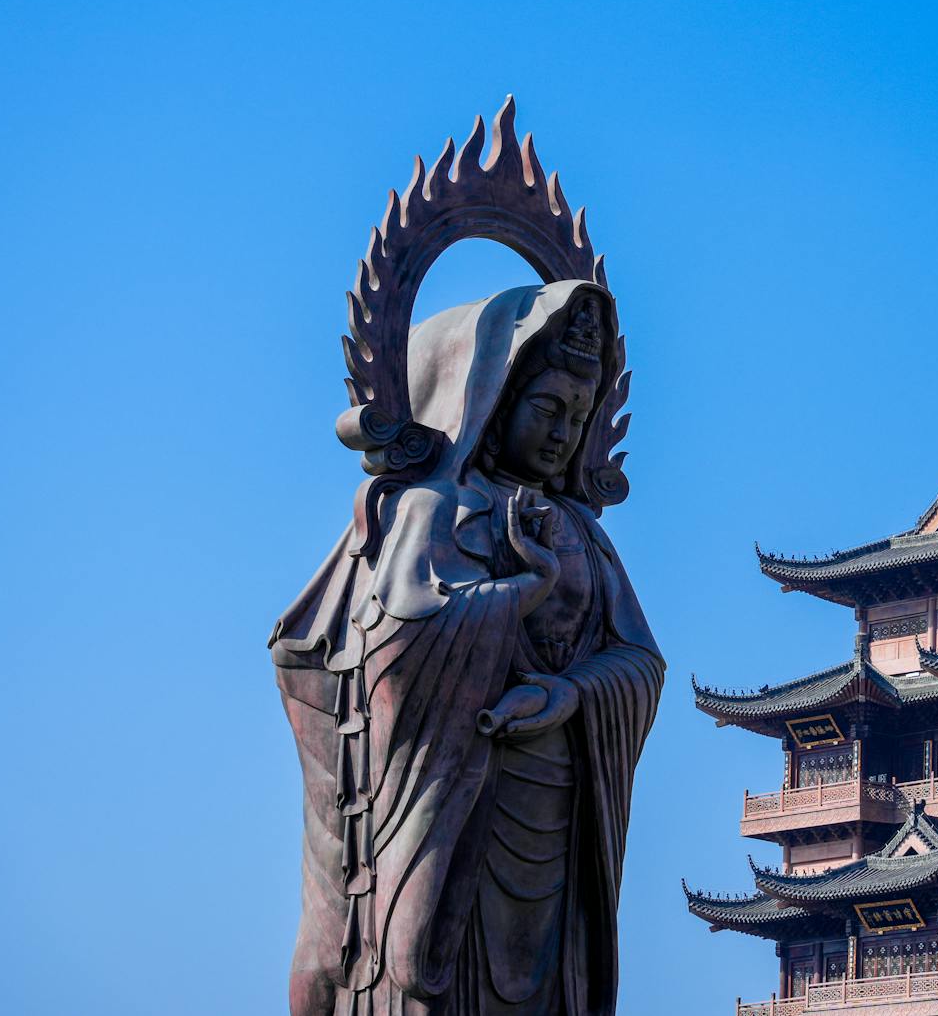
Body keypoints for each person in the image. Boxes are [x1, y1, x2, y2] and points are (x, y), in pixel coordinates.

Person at [270, 280, 663, 1016]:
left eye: (577, 418)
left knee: (543, 987)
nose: (562, 434)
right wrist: (525, 589)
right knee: (430, 969)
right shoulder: (435, 511)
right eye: (547, 408)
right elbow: (401, 642)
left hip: (558, 806)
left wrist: (570, 692)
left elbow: (641, 660)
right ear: (488, 400)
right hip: (454, 800)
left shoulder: (584, 533)